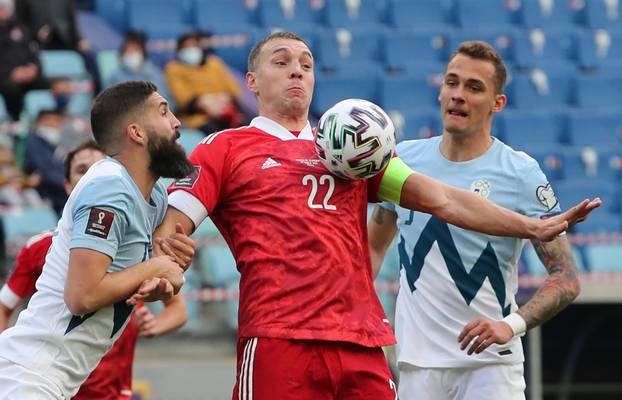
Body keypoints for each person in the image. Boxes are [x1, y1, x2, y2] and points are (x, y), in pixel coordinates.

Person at [156, 32, 600, 400]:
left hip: (362, 345)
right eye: (282, 61)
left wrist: (532, 225)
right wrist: (170, 259)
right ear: (251, 81)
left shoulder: (354, 150)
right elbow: (172, 231)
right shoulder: (225, 148)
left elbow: (445, 199)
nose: (297, 70)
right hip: (279, 339)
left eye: (307, 64)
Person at [367, 41, 587, 400]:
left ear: (497, 103)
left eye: (473, 87)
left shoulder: (521, 173)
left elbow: (566, 279)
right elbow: (370, 253)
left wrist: (510, 325)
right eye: (451, 83)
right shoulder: (401, 163)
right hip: (416, 365)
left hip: (491, 368)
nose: (458, 95)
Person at [0, 80, 194, 399]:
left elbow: (152, 276)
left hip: (53, 379)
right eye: (163, 111)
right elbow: (82, 296)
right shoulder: (109, 189)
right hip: (30, 375)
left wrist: (167, 280)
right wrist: (157, 266)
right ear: (137, 132)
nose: (176, 122)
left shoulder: (155, 196)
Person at [165, 32, 245, 135]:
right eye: (186, 47)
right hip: (198, 117)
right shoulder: (173, 69)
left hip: (227, 111)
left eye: (194, 45)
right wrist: (205, 103)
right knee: (216, 133)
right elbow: (183, 99)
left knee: (245, 127)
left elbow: (234, 90)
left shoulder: (215, 63)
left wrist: (222, 100)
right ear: (179, 51)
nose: (191, 50)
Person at [15, 0, 103, 93]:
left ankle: (98, 97)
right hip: (37, 44)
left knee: (92, 60)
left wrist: (79, 40)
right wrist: (36, 34)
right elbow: (20, 26)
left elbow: (72, 25)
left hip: (66, 41)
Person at [0, 0, 49, 121]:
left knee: (51, 85)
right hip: (5, 78)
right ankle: (16, 121)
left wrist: (34, 69)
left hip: (28, 76)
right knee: (11, 89)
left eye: (6, 8)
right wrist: (11, 74)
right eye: (1, 8)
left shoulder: (21, 28)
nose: (4, 11)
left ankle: (47, 121)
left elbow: (34, 53)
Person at [108, 32, 172, 106]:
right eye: (128, 51)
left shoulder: (155, 73)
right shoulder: (114, 76)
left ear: (143, 53)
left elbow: (166, 101)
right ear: (122, 55)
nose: (132, 54)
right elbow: (108, 103)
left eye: (135, 50)